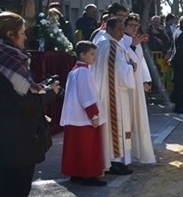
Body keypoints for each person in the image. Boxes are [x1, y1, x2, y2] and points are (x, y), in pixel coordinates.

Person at [0, 11, 60, 197]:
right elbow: (24, 104)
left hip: (10, 141)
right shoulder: (10, 61)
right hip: (16, 143)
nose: (26, 37)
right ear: (10, 34)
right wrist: (51, 93)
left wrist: (41, 88)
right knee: (15, 193)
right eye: (23, 32)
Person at [90, 18, 136, 175]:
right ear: (109, 28)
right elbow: (117, 70)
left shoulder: (107, 43)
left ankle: (117, 158)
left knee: (118, 126)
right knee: (116, 124)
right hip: (113, 93)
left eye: (124, 29)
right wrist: (131, 67)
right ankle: (114, 160)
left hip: (111, 90)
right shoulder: (109, 44)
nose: (122, 33)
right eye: (119, 29)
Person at [59, 41, 107, 187]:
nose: (95, 58)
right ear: (82, 55)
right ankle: (89, 175)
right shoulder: (84, 72)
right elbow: (87, 96)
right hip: (84, 118)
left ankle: (76, 173)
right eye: (92, 54)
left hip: (74, 117)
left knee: (75, 147)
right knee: (88, 148)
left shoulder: (74, 71)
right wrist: (94, 115)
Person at [121, 14, 156, 165]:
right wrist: (133, 45)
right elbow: (125, 60)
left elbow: (141, 62)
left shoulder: (137, 40)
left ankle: (141, 151)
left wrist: (145, 80)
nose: (135, 28)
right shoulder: (121, 40)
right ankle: (129, 155)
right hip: (127, 85)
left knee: (140, 116)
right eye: (131, 25)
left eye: (137, 26)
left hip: (137, 83)